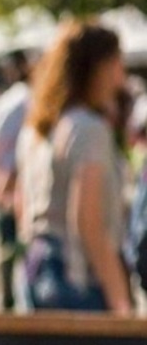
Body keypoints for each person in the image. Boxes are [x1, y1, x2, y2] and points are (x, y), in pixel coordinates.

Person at [15, 21, 131, 312]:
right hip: (77, 281)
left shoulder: (40, 129)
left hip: (37, 268)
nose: (121, 77)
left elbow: (22, 205)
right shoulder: (88, 129)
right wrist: (121, 300)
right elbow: (87, 222)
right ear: (96, 68)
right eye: (116, 63)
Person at [0, 49, 31, 310]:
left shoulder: (3, 103)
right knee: (18, 249)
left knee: (7, 247)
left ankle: (7, 298)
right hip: (18, 189)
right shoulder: (25, 102)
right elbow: (20, 152)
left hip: (6, 186)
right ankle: (14, 300)